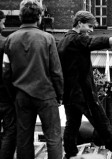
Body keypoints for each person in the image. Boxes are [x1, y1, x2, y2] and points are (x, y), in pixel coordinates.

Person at [57, 11, 112, 159]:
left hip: (69, 93)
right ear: (79, 23)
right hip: (83, 92)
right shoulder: (77, 39)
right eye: (89, 26)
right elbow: (94, 42)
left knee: (72, 124)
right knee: (101, 120)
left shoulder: (63, 40)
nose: (91, 30)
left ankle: (70, 153)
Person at [2, 1, 63, 159]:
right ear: (39, 17)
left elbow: (6, 73)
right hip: (46, 94)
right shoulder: (48, 39)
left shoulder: (10, 40)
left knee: (24, 139)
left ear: (21, 17)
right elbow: (56, 71)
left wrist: (13, 94)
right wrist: (60, 94)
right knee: (53, 137)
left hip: (21, 96)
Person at [0, 10, 17, 159]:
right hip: (4, 95)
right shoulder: (5, 43)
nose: (4, 25)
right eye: (2, 22)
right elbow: (8, 72)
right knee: (10, 130)